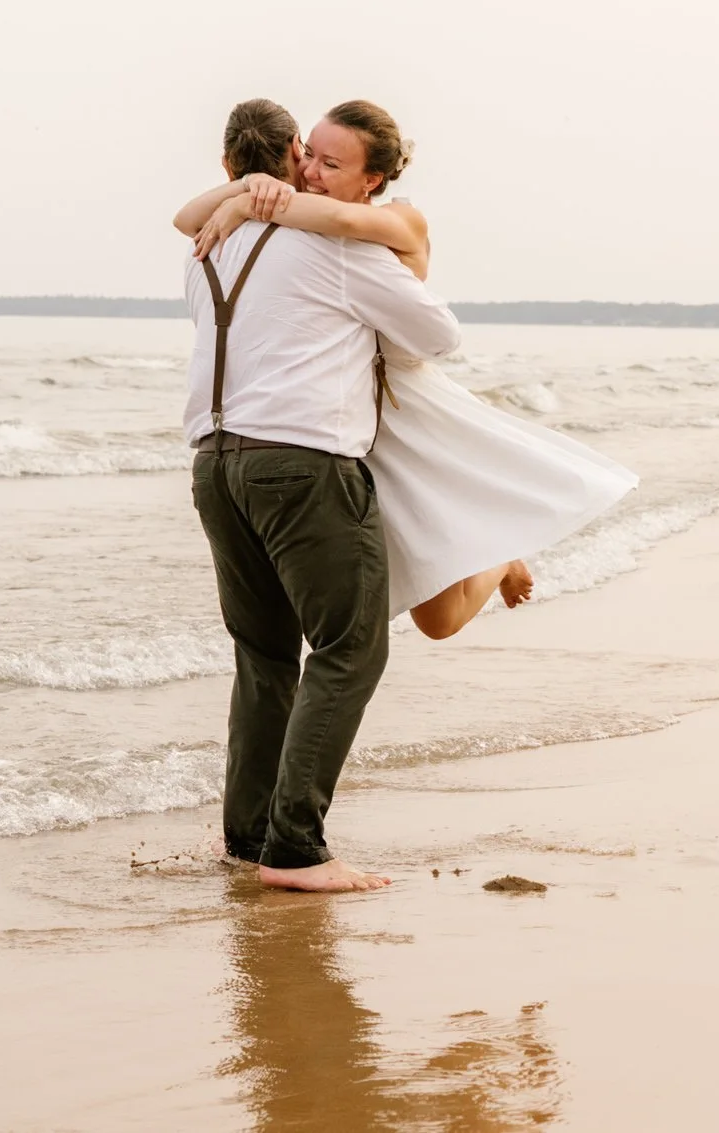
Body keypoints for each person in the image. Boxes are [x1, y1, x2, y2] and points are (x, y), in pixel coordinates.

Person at [177, 100, 637, 639]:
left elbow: (346, 221)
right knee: (416, 612)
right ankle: (495, 559)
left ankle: (502, 555)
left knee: (435, 620)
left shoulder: (396, 219)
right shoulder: (308, 219)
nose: (309, 173)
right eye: (311, 157)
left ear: (372, 178)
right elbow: (188, 220)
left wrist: (244, 205)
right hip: (339, 422)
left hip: (404, 414)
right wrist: (250, 190)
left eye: (331, 164)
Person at [185, 98, 463, 893]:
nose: (313, 171)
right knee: (349, 647)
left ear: (230, 163)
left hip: (214, 464)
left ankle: (246, 837)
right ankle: (296, 849)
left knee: (264, 654)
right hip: (302, 466)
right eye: (310, 156)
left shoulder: (209, 244)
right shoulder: (333, 246)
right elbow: (439, 336)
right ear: (294, 154)